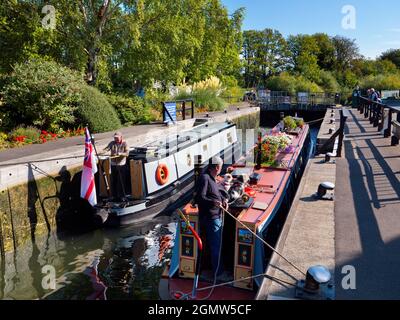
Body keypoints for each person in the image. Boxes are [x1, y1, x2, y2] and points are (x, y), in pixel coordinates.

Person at [195, 156, 227, 278]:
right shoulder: (205, 178)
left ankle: (217, 270)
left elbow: (216, 192)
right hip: (211, 217)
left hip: (215, 216)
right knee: (216, 246)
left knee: (216, 245)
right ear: (217, 167)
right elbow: (200, 198)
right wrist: (213, 203)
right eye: (221, 167)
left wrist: (223, 200)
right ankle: (218, 274)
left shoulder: (212, 178)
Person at [103, 132, 129, 201]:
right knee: (113, 181)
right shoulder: (112, 143)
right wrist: (101, 152)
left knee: (121, 181)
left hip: (121, 165)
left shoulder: (125, 143)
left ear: (121, 137)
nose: (116, 139)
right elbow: (106, 149)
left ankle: (122, 196)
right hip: (113, 164)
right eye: (115, 137)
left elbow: (127, 153)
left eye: (117, 137)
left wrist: (120, 153)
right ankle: (114, 196)